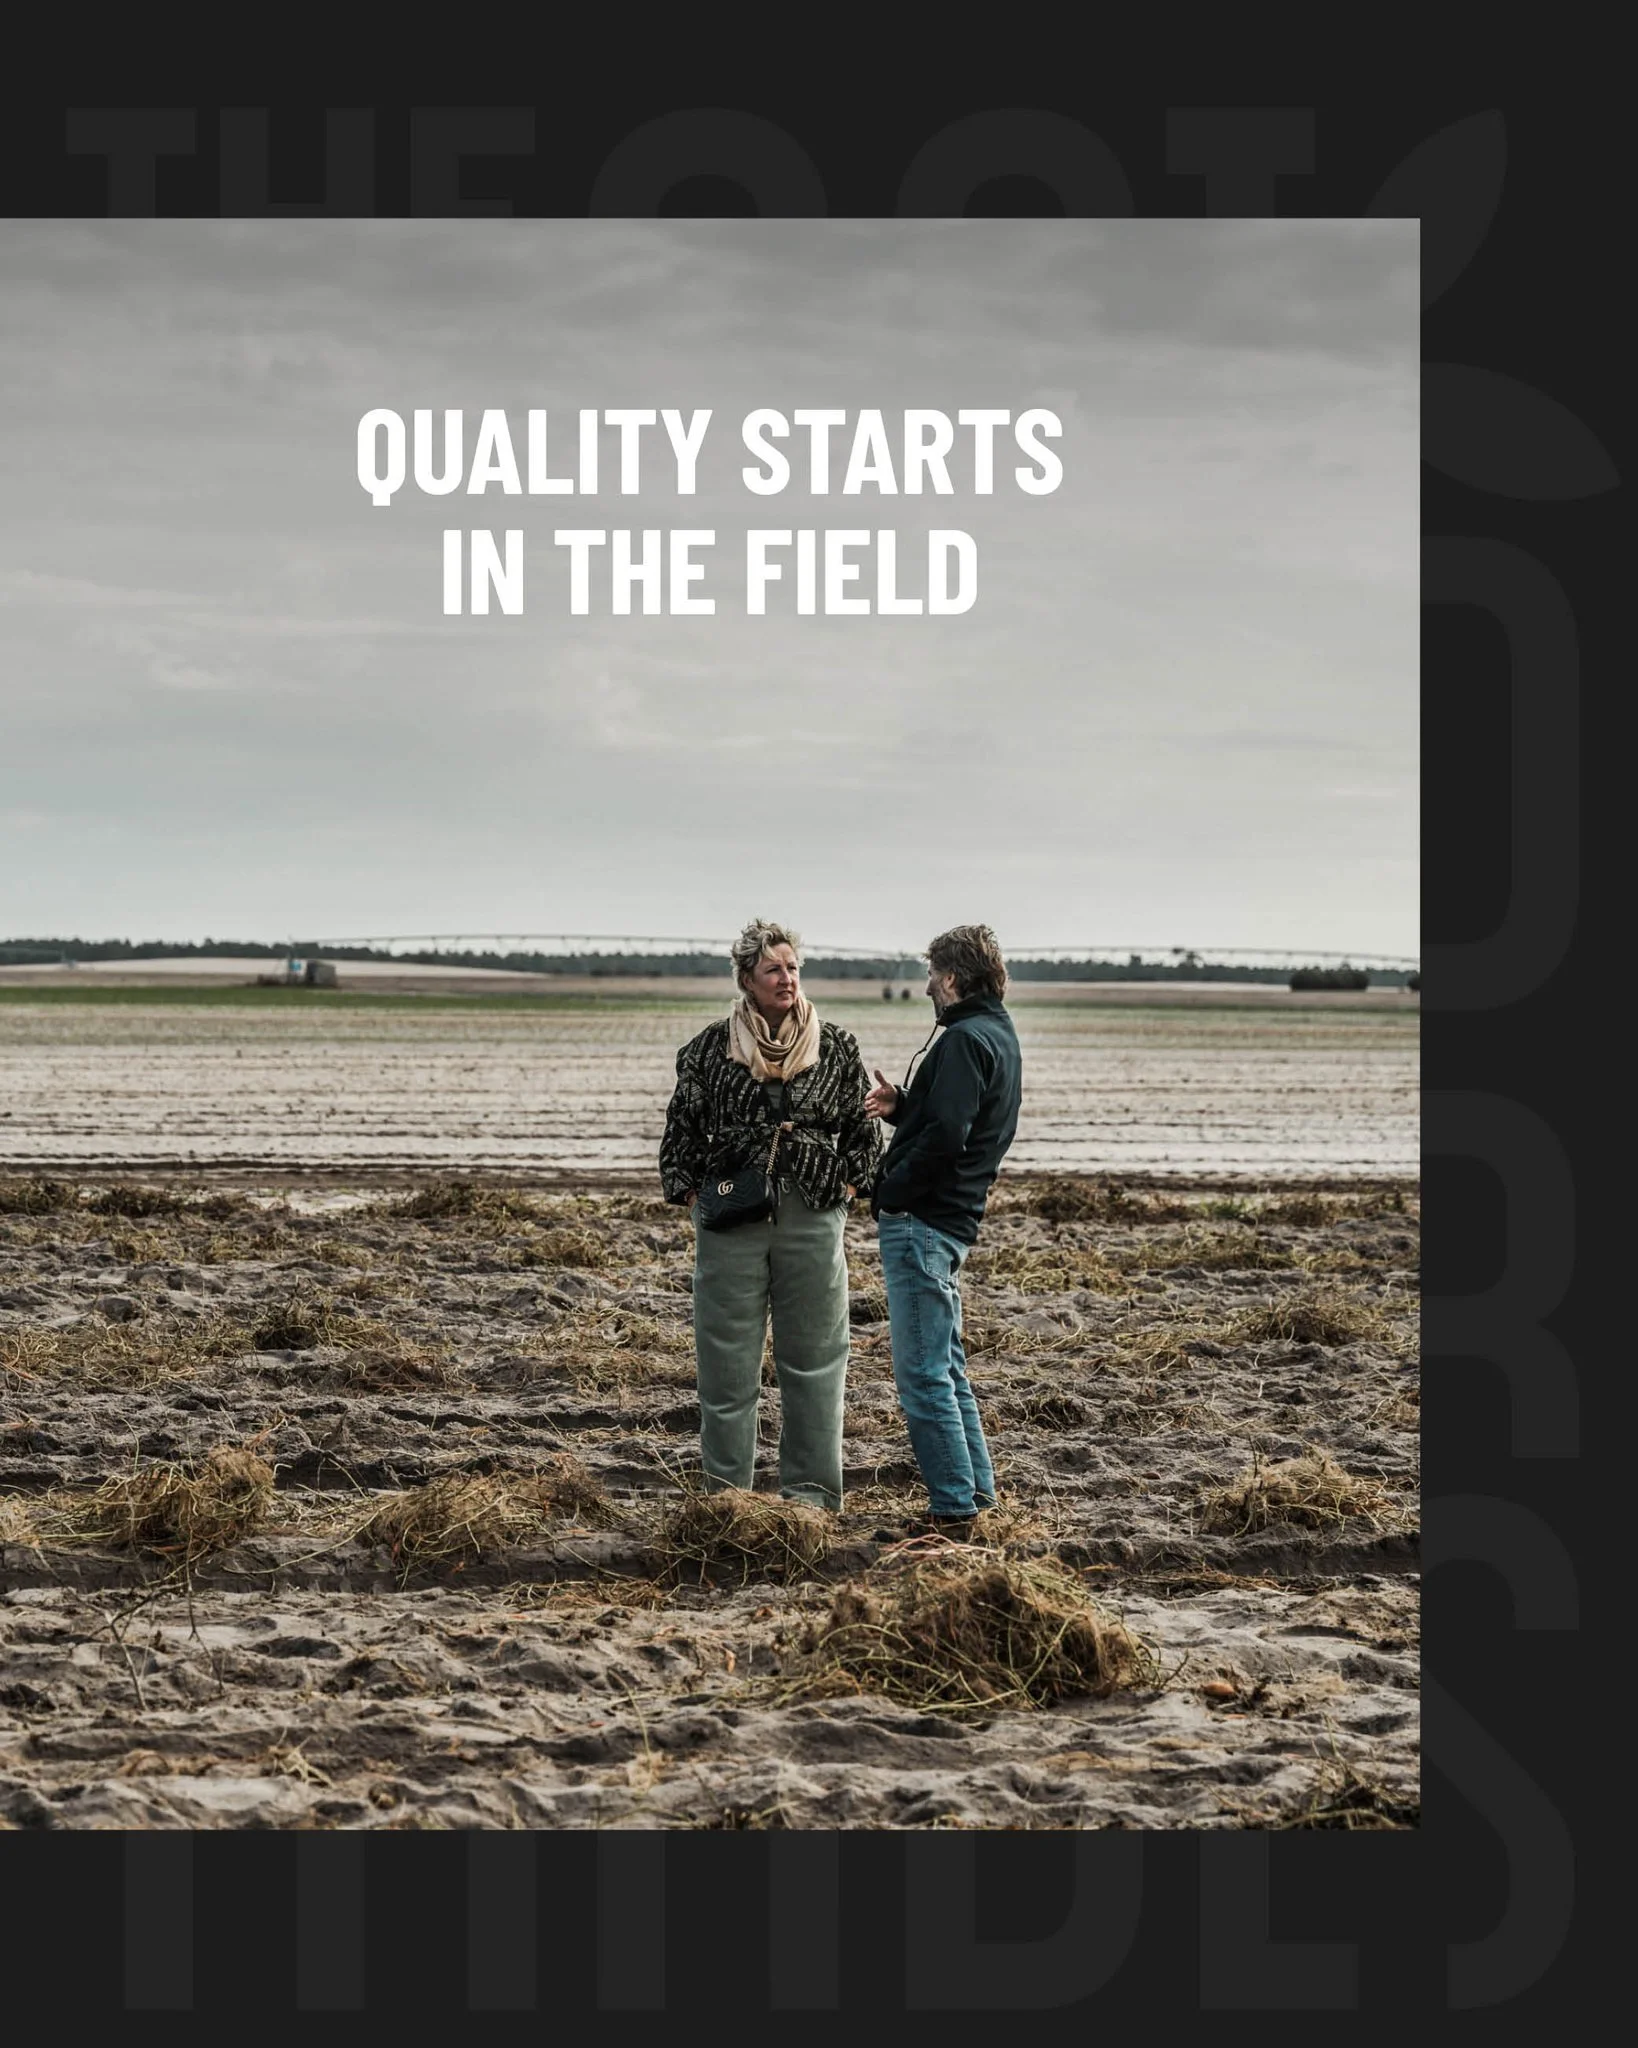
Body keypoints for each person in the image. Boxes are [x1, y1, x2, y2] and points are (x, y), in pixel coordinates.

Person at [659, 919, 881, 1510]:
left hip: (812, 1210)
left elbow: (862, 1132)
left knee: (815, 1358)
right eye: (773, 970)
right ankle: (726, 1495)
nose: (786, 979)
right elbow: (679, 1137)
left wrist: (850, 1189)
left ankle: (810, 1498)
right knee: (726, 1360)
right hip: (731, 1216)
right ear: (746, 979)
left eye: (792, 968)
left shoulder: (835, 1046)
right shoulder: (709, 1050)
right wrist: (694, 1197)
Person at [865, 925, 1022, 1537]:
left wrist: (888, 1190)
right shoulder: (997, 1035)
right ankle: (977, 1498)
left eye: (933, 973)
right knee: (947, 1365)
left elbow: (951, 1136)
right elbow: (955, 1118)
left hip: (925, 1222)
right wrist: (903, 1106)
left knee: (924, 1372)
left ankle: (954, 1511)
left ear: (952, 978)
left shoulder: (961, 1042)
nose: (926, 984)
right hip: (953, 1221)